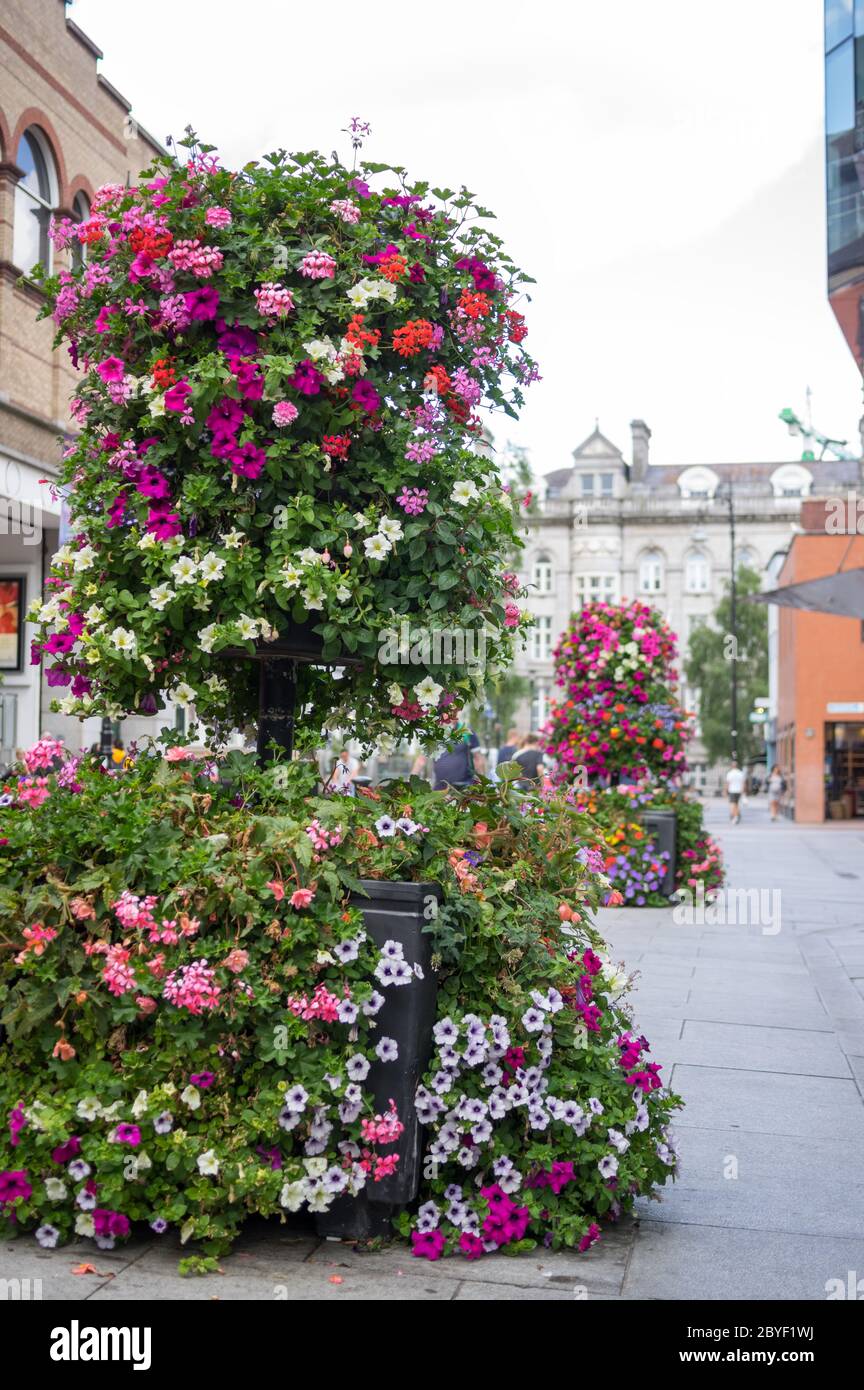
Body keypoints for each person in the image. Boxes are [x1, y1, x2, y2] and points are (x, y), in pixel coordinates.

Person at [726, 759, 745, 823]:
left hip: (732, 790)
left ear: (732, 766)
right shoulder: (740, 773)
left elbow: (728, 783)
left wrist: (726, 791)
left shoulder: (730, 773)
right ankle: (737, 815)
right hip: (738, 790)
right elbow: (743, 783)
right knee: (736, 804)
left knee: (733, 804)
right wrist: (742, 791)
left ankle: (734, 816)